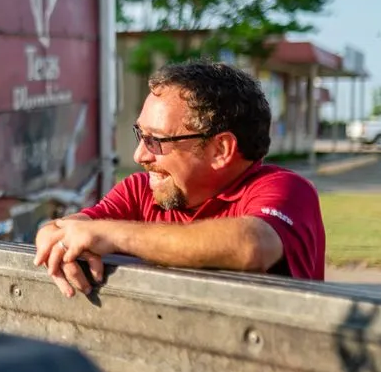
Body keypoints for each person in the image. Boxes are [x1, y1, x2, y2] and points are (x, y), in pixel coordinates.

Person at [34, 60, 325, 297]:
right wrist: (54, 236)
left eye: (156, 140)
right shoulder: (139, 191)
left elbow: (251, 245)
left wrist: (109, 234)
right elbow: (74, 227)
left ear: (220, 149)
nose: (139, 155)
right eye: (140, 135)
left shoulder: (285, 189)